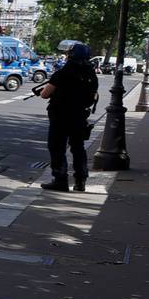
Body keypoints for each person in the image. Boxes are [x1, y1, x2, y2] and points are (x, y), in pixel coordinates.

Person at [35, 41, 98, 192]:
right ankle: (80, 181)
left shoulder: (63, 72)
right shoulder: (91, 74)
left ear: (71, 55)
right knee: (78, 148)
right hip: (80, 115)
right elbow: (93, 96)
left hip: (60, 115)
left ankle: (60, 180)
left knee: (57, 147)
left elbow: (45, 94)